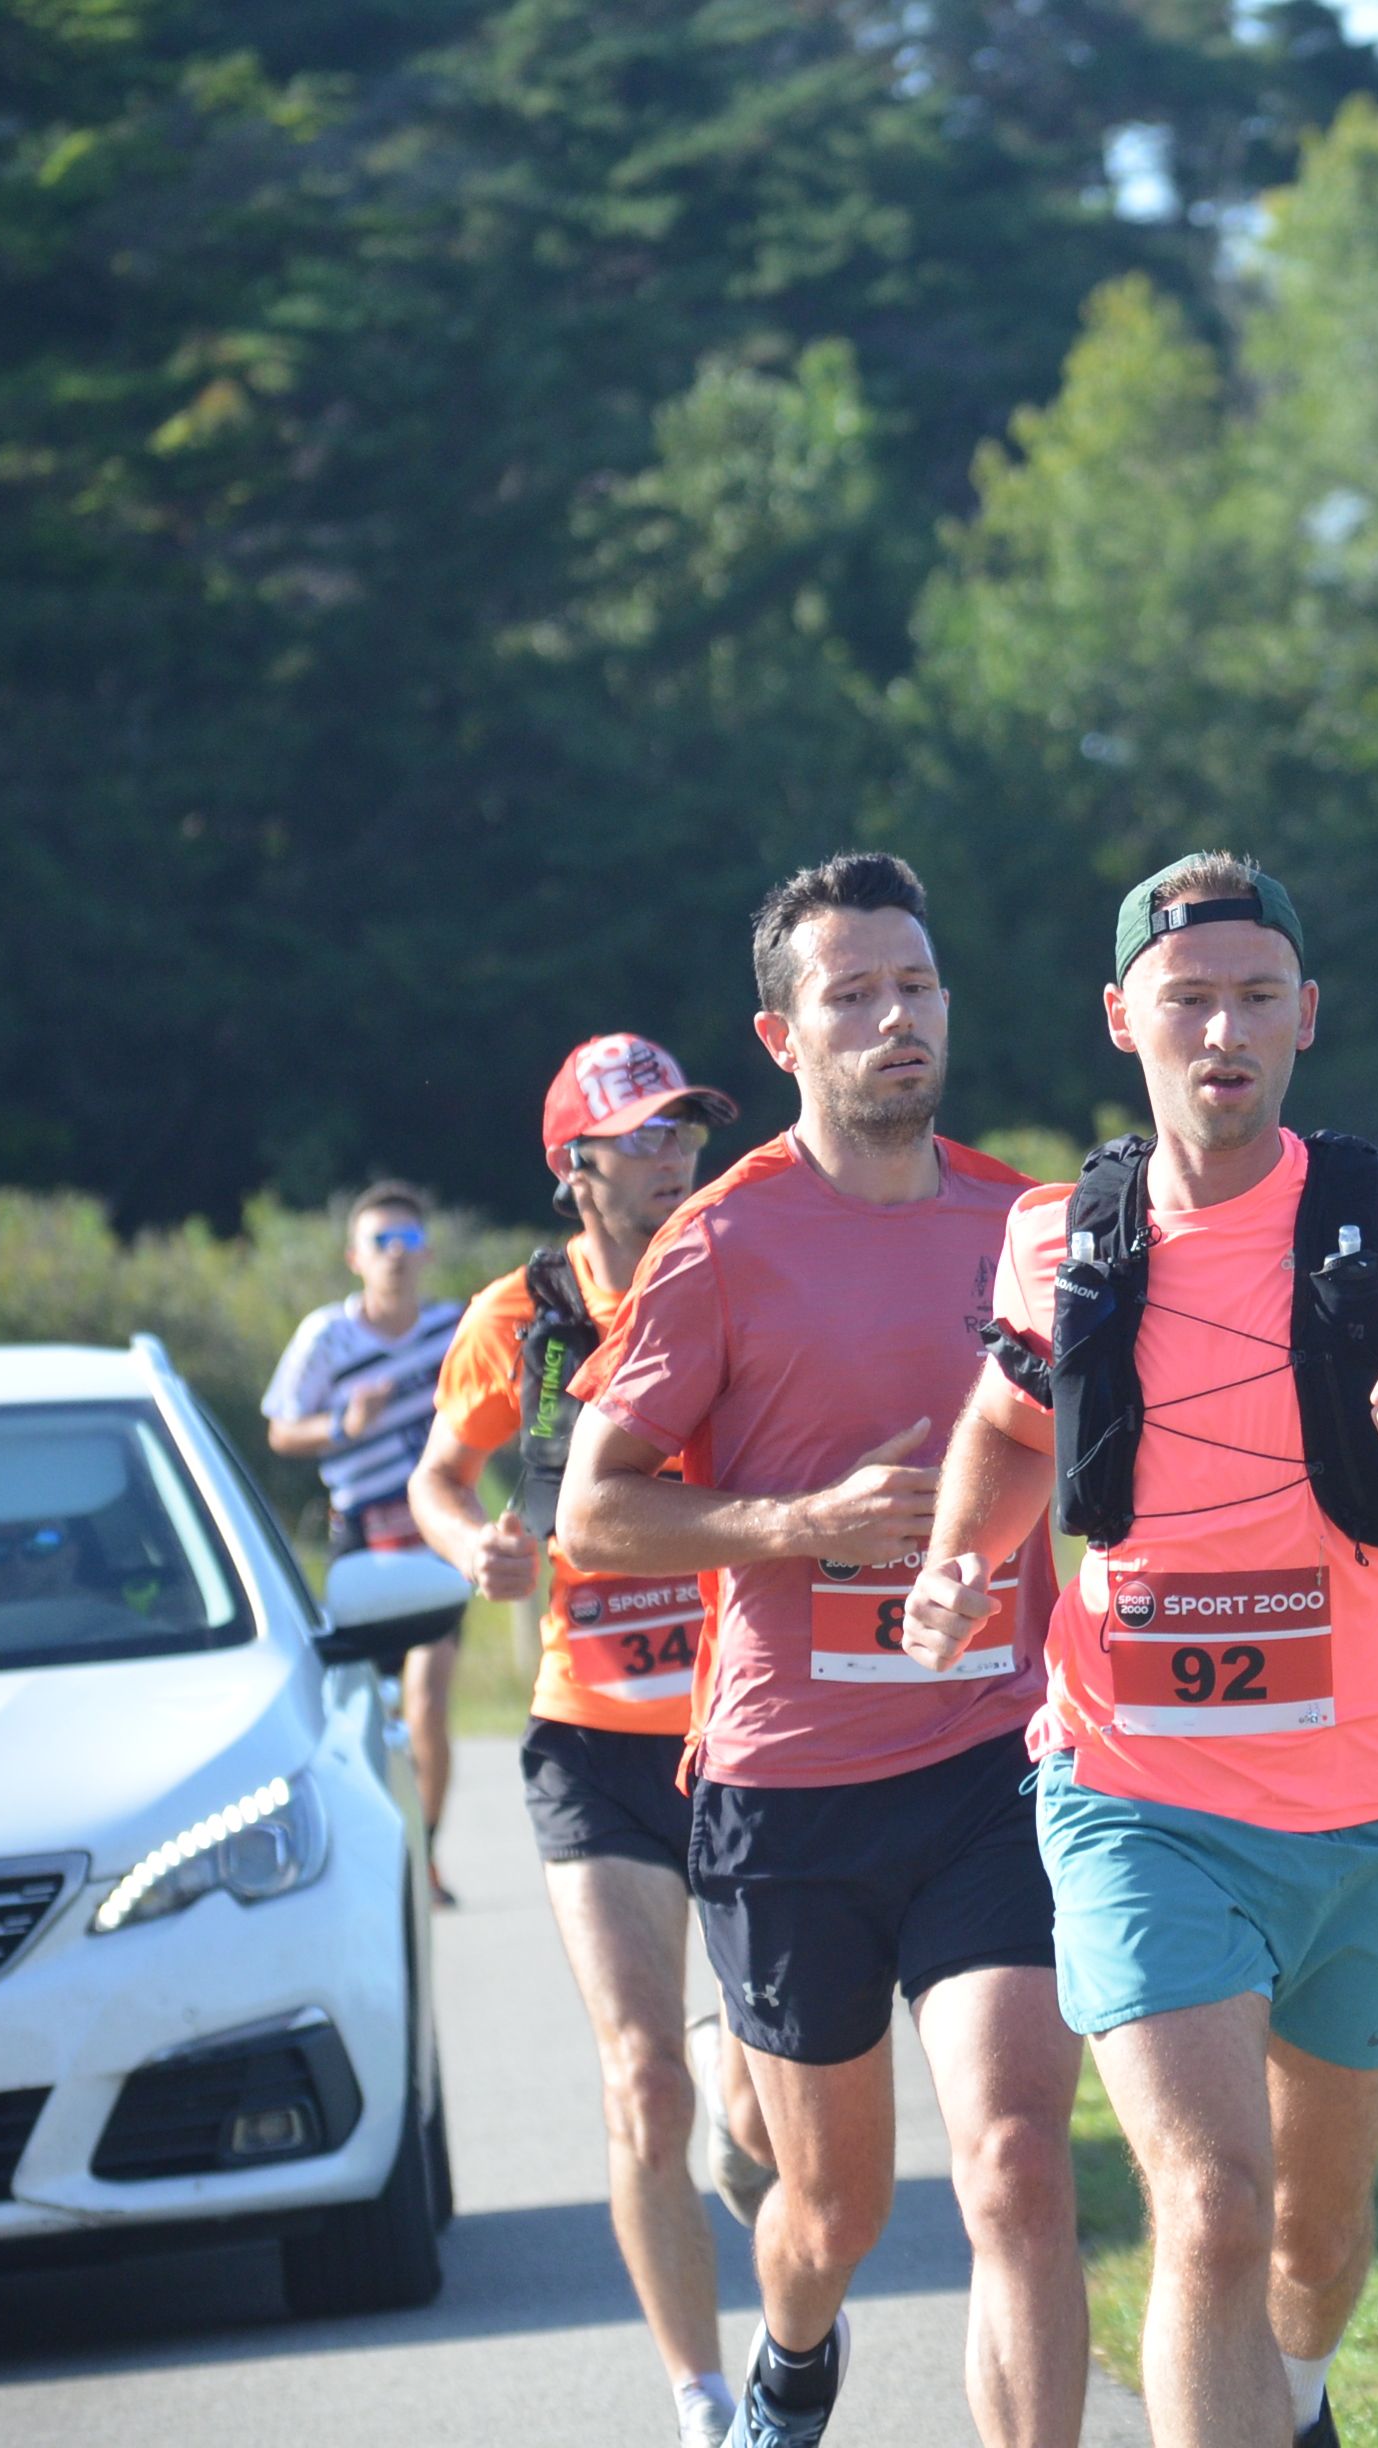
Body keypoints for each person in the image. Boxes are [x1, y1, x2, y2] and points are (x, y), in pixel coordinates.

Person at [901, 853, 1378, 2448]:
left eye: (1258, 997)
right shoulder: (1060, 1237)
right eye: (1188, 1000)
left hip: (1369, 1807)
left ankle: (1297, 2399)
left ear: (1305, 1017)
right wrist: (954, 1565)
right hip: (1140, 1798)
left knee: (1316, 2247)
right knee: (1210, 2205)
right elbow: (1007, 1426)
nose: (1223, 1030)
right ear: (1122, 1018)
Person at [557, 855, 1085, 2448]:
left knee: (1017, 2169)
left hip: (996, 1760)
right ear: (783, 1038)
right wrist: (805, 1524)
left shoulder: (1029, 1224)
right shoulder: (720, 1241)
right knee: (835, 2211)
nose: (895, 1018)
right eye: (852, 994)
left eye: (915, 985)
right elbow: (595, 1514)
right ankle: (792, 2357)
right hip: (791, 1792)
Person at [407, 1030, 774, 2448]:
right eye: (643, 1136)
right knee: (641, 2077)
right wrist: (475, 1550)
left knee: (761, 2103)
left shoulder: (740, 1269)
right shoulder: (523, 1315)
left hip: (747, 1730)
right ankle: (700, 2399)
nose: (674, 1155)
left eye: (685, 1129)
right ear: (576, 1166)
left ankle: (768, 2198)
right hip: (592, 1742)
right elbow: (442, 1476)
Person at [265, 1180, 467, 1902]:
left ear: (428, 1253)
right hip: (362, 1531)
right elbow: (281, 1429)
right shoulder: (327, 1337)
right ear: (355, 1258)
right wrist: (344, 1423)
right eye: (381, 1243)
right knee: (364, 1710)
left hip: (436, 1527)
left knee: (427, 1699)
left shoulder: (454, 1328)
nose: (396, 1256)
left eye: (409, 1240)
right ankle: (371, 1852)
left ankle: (425, 1856)